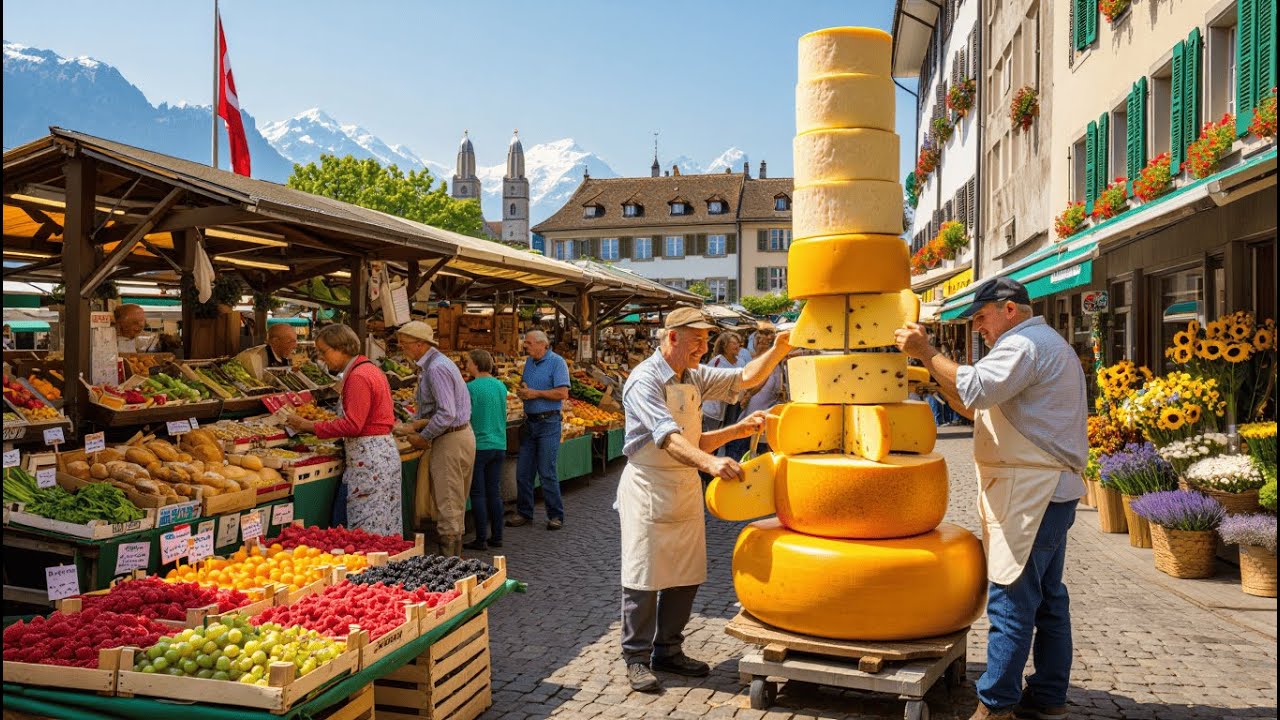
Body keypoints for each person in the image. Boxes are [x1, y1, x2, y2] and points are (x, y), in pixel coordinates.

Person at [895, 278, 1087, 720]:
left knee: (1013, 598)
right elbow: (980, 407)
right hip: (1044, 491)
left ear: (1010, 309)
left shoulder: (1023, 345)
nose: (978, 326)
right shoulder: (1038, 342)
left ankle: (996, 705)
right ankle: (1049, 695)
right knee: (1049, 597)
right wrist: (934, 384)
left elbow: (979, 390)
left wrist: (927, 352)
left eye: (981, 317)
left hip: (1032, 493)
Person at [617, 307, 793, 692]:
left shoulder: (694, 375)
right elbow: (669, 438)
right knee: (644, 575)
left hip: (682, 485)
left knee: (687, 572)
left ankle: (668, 649)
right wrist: (710, 464)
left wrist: (779, 350)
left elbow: (745, 377)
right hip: (649, 485)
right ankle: (635, 655)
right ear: (673, 337)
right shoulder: (643, 380)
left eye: (705, 338)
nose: (703, 346)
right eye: (696, 338)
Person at [285, 324, 400, 537]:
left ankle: (370, 567)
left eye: (324, 351)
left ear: (341, 348)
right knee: (384, 523)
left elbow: (353, 425)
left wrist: (309, 426)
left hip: (369, 456)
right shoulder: (370, 369)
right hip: (381, 454)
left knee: (367, 525)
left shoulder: (358, 377)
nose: (320, 357)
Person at [392, 321, 475, 558]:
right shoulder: (439, 364)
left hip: (450, 440)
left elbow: (447, 413)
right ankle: (453, 561)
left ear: (420, 344)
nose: (402, 348)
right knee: (453, 501)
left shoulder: (436, 368)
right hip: (458, 435)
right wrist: (418, 424)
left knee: (448, 503)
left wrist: (423, 437)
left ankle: (450, 566)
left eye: (405, 344)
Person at [509, 329, 571, 530]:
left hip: (549, 423)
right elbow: (527, 385)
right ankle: (524, 512)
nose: (525, 346)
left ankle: (556, 515)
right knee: (523, 472)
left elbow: (562, 393)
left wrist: (535, 394)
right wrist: (523, 390)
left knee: (547, 471)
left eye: (528, 343)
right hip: (530, 423)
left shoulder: (557, 362)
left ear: (542, 344)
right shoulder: (529, 362)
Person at [463, 349, 508, 551]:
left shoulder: (470, 388)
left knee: (478, 493)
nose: (466, 366)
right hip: (499, 443)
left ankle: (481, 537)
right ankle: (497, 535)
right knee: (494, 492)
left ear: (475, 364)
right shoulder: (500, 386)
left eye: (468, 362)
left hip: (479, 444)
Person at [701, 331, 751, 460]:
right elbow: (708, 383)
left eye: (738, 343)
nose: (737, 346)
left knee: (725, 438)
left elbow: (745, 381)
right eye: (733, 343)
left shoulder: (741, 361)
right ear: (724, 346)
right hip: (714, 409)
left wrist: (745, 396)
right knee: (710, 441)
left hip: (733, 406)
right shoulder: (717, 362)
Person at [740, 323, 783, 453]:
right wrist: (747, 395)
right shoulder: (753, 362)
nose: (762, 346)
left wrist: (748, 395)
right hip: (754, 404)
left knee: (757, 434)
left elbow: (763, 381)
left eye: (765, 344)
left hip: (763, 404)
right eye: (759, 343)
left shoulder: (773, 364)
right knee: (749, 433)